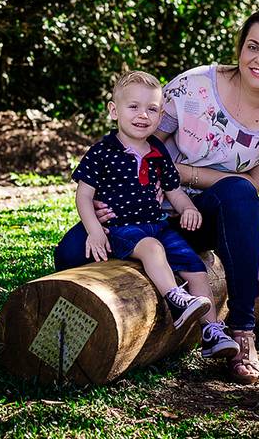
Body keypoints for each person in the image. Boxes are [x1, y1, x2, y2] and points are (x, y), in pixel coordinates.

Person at [54, 5, 259, 384]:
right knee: (69, 250)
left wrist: (187, 174)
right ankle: (109, 309)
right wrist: (106, 196)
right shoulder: (194, 87)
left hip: (203, 219)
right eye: (252, 46)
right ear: (240, 47)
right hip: (142, 212)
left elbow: (250, 186)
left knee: (239, 195)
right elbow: (137, 143)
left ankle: (242, 332)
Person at [70, 70, 240, 358]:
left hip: (158, 225)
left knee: (196, 268)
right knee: (152, 248)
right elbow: (83, 196)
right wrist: (95, 231)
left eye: (151, 109)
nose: (142, 115)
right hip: (123, 229)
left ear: (161, 116)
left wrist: (187, 208)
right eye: (133, 107)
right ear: (114, 110)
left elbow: (173, 191)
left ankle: (211, 331)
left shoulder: (158, 151)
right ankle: (175, 299)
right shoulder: (102, 152)